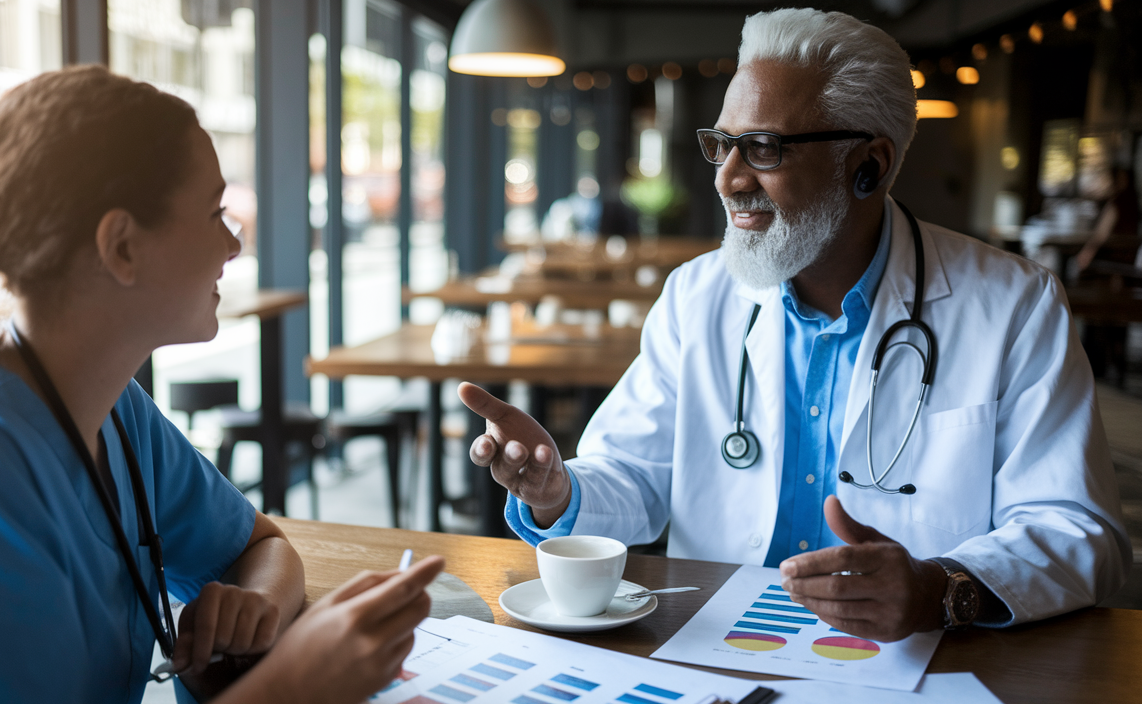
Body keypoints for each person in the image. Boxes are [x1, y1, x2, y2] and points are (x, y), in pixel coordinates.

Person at [0, 66, 443, 704]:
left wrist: (253, 605)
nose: (233, 245)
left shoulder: (107, 407)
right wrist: (291, 688)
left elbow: (258, 545)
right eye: (213, 214)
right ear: (122, 247)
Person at [461, 8, 1130, 643]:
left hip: (925, 664)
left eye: (762, 149)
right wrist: (559, 490)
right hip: (715, 649)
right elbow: (637, 475)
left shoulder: (1016, 306)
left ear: (869, 164)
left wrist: (941, 587)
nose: (727, 179)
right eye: (722, 145)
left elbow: (1077, 531)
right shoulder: (696, 296)